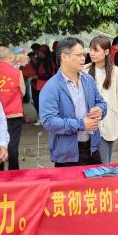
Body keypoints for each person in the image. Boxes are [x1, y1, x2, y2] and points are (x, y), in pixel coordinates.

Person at [40, 37, 107, 167]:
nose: (83, 58)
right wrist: (81, 124)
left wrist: (100, 110)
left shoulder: (88, 80)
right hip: (67, 154)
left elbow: (101, 102)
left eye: (84, 54)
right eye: (79, 55)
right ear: (64, 56)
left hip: (92, 148)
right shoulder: (51, 87)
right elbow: (49, 121)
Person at [86, 36, 118, 163]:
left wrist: (112, 113)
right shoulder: (84, 71)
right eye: (90, 49)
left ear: (106, 52)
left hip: (108, 125)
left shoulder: (117, 73)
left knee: (103, 165)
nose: (92, 53)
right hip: (87, 125)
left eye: (95, 50)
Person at [0, 47, 25, 170]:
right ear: (10, 57)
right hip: (13, 114)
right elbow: (23, 92)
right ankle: (14, 173)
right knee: (13, 146)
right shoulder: (17, 73)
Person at [33, 45, 55, 123]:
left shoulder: (48, 62)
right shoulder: (41, 61)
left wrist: (38, 76)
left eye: (41, 52)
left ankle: (44, 118)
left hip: (46, 84)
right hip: (41, 84)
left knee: (44, 102)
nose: (39, 54)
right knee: (40, 102)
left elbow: (48, 75)